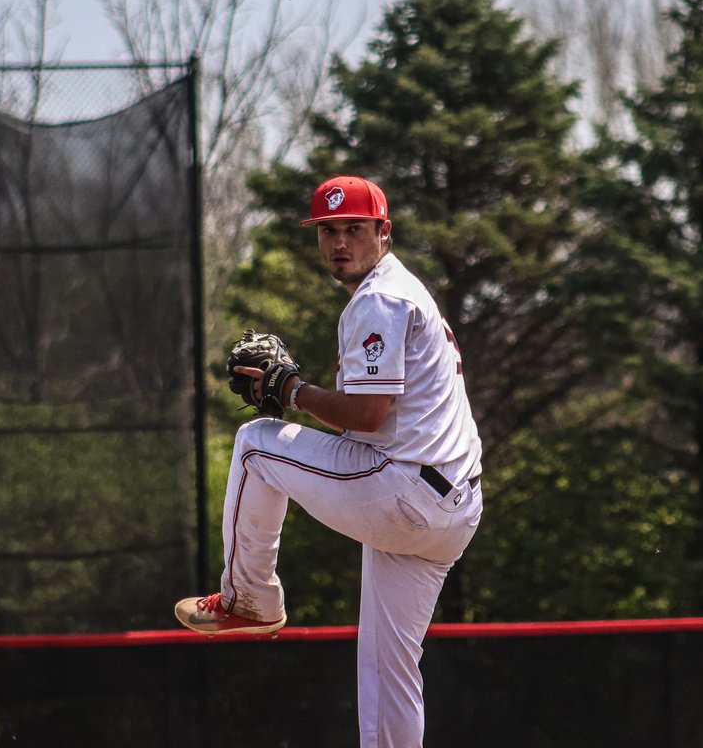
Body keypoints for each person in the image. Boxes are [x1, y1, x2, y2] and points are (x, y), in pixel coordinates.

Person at [176, 175, 484, 747]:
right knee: (388, 671)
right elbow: (364, 420)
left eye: (354, 229)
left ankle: (251, 599)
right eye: (328, 231)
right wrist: (300, 393)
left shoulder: (379, 299)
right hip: (451, 508)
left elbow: (364, 418)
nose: (340, 242)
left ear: (382, 233)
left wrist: (291, 391)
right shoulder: (403, 292)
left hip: (404, 491)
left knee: (255, 444)